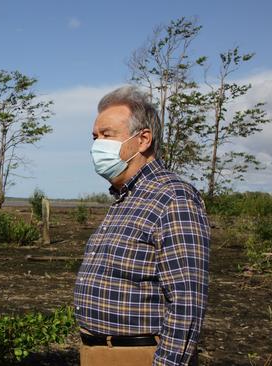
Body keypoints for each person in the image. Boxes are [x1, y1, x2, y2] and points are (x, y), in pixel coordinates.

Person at [74, 86, 210, 366]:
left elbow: (187, 301)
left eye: (107, 135)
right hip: (98, 353)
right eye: (95, 137)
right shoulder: (125, 200)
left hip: (138, 355)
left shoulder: (173, 197)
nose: (97, 144)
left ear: (143, 139)